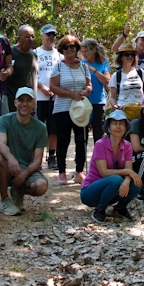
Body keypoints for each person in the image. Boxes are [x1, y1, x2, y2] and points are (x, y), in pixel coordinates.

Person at [0, 88, 49, 215]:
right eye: (21, 100)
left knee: (41, 186)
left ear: (34, 103)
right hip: (6, 163)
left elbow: (38, 160)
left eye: (29, 100)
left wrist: (25, 173)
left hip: (25, 167)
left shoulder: (40, 127)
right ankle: (4, 200)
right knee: (1, 158)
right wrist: (11, 158)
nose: (25, 104)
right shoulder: (4, 120)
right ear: (15, 102)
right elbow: (0, 144)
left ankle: (18, 191)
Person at [80, 109, 142, 222]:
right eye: (114, 123)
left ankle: (120, 207)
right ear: (109, 127)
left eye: (121, 124)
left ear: (125, 128)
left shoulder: (127, 145)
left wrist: (127, 180)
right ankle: (99, 209)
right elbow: (104, 172)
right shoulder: (100, 144)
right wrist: (128, 172)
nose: (118, 127)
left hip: (112, 187)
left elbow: (129, 169)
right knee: (116, 179)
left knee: (136, 183)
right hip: (90, 191)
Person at [49, 35, 92, 185]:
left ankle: (79, 172)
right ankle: (62, 173)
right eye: (66, 47)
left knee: (81, 139)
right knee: (63, 140)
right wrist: (70, 94)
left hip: (80, 109)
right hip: (62, 108)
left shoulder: (83, 66)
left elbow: (89, 85)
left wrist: (86, 91)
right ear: (62, 49)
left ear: (77, 49)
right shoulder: (58, 66)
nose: (70, 50)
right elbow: (52, 87)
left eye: (73, 47)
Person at [35, 24, 60, 169]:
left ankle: (52, 156)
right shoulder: (35, 53)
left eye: (53, 35)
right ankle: (36, 158)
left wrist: (56, 89)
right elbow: (31, 74)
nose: (50, 37)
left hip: (55, 99)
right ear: (42, 36)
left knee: (53, 129)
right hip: (38, 98)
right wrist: (41, 87)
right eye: (48, 34)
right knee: (38, 129)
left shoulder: (59, 55)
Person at [107, 42, 144, 120]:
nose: (130, 56)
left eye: (132, 55)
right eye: (127, 54)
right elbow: (112, 97)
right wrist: (114, 105)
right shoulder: (116, 76)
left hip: (140, 111)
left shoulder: (141, 72)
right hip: (123, 112)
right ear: (121, 57)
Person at [81, 38, 111, 144]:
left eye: (86, 51)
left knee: (99, 135)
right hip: (84, 102)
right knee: (82, 135)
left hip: (99, 102)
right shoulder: (81, 63)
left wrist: (93, 70)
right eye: (82, 52)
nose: (84, 54)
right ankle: (81, 160)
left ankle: (99, 158)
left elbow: (107, 81)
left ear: (93, 50)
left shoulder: (103, 63)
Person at [5, 25, 39, 110]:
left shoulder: (34, 55)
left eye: (32, 36)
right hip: (15, 104)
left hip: (30, 104)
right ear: (18, 38)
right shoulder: (11, 54)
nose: (30, 39)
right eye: (27, 36)